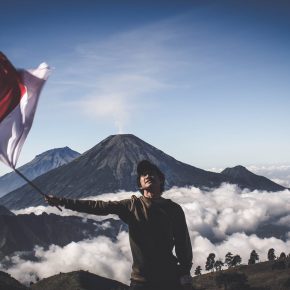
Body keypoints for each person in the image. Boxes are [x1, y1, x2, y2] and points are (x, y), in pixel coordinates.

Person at [45, 160, 193, 290]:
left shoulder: (173, 209)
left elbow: (183, 243)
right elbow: (98, 206)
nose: (147, 175)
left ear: (161, 180)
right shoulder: (132, 205)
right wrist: (63, 201)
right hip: (141, 281)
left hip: (169, 279)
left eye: (152, 173)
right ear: (140, 185)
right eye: (143, 174)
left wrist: (185, 273)